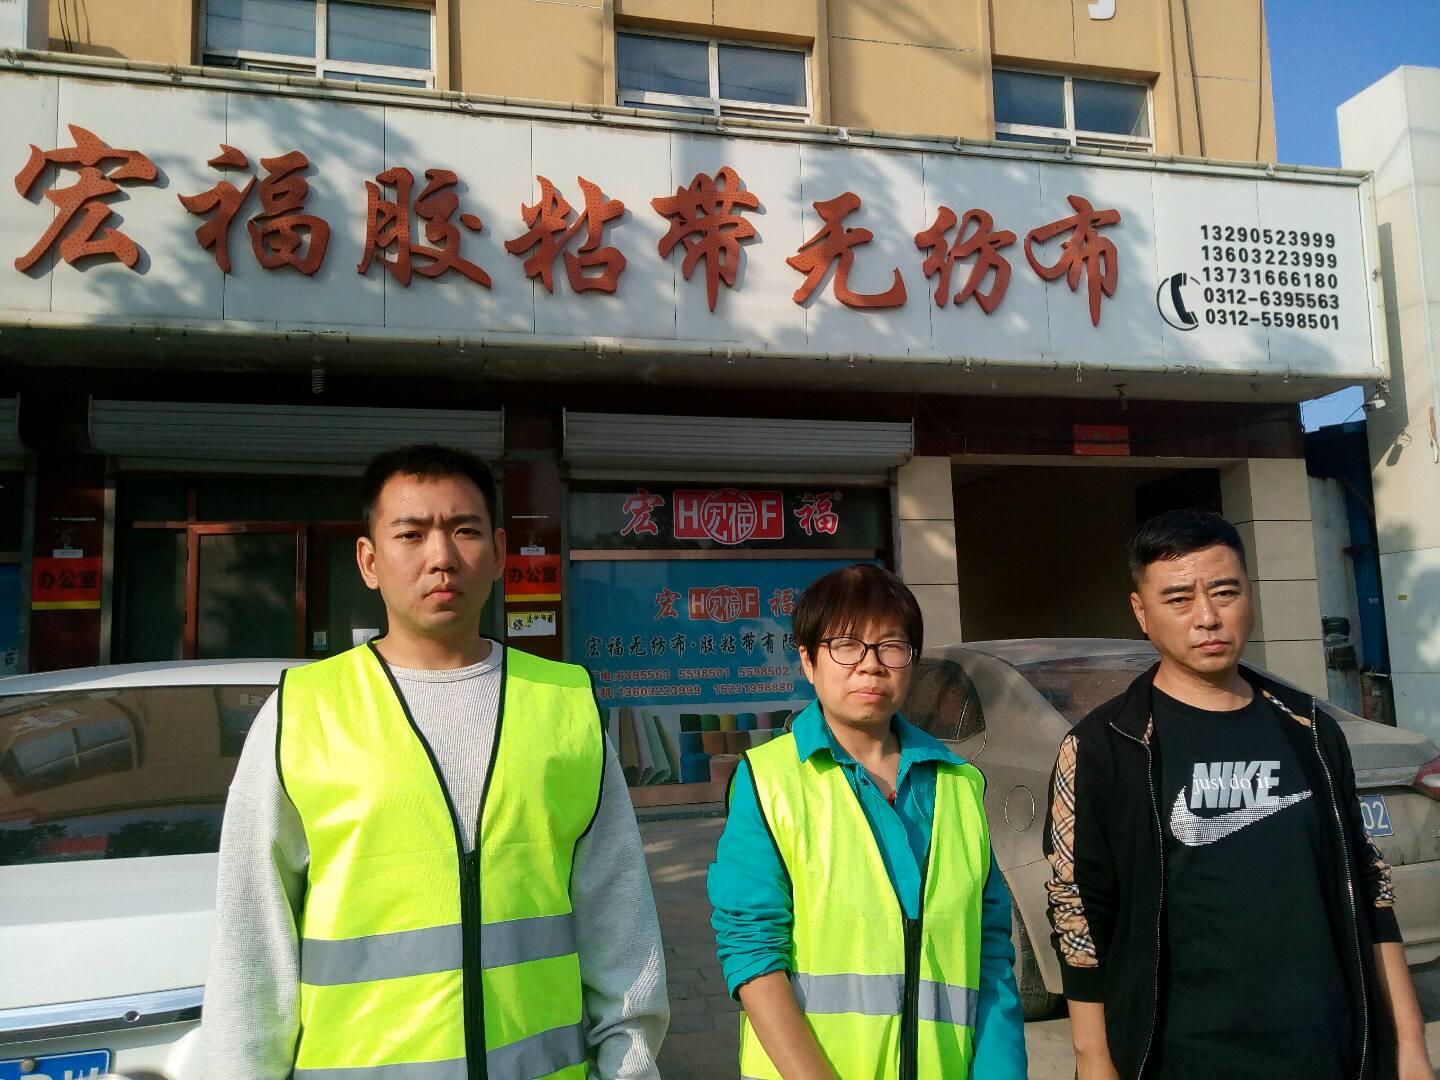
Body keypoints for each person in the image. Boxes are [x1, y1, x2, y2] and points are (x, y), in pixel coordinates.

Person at [204, 444, 667, 1080]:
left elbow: (620, 918)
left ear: (499, 553)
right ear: (369, 560)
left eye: (464, 530)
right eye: (411, 534)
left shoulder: (565, 705)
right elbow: (252, 943)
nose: (441, 556)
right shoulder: (303, 713)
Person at [1043, 508, 1434, 1080]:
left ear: (1249, 595)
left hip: (1328, 1047)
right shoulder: (1106, 747)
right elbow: (1078, 914)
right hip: (1182, 1057)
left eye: (1224, 592)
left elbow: (1369, 886)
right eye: (1179, 599)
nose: (1207, 617)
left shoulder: (1310, 731)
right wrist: (1094, 1061)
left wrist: (1411, 1046)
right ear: (1141, 612)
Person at [707, 564, 1028, 1080]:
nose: (871, 666)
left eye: (891, 647)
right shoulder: (767, 781)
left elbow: (990, 954)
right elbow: (752, 954)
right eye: (847, 645)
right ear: (808, 661)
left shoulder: (960, 784)